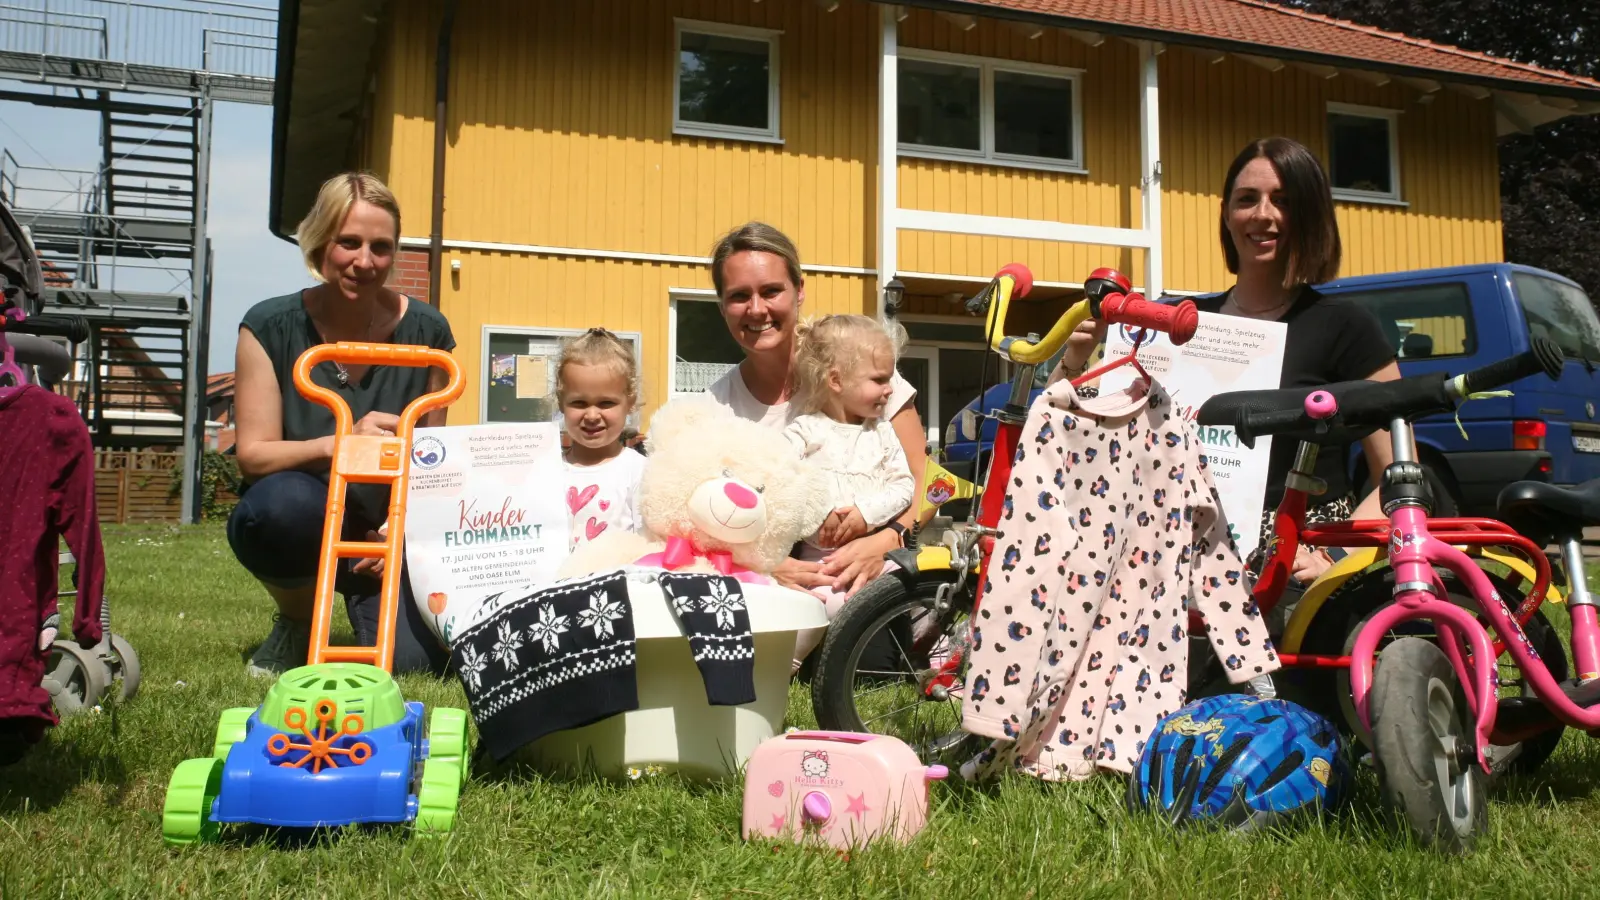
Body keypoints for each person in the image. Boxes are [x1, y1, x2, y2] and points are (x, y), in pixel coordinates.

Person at [1047, 136, 1401, 586]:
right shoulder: (1173, 320)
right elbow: (1067, 432)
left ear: (1309, 214)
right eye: (1247, 199)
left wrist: (1333, 554)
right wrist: (1075, 359)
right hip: (1166, 553)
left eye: (1284, 201)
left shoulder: (1347, 327)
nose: (1263, 215)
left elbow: (1396, 474)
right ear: (1227, 215)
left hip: (1291, 566)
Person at [228, 172, 457, 677]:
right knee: (275, 512)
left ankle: (375, 599)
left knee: (412, 664)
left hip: (385, 524)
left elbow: (433, 465)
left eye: (381, 247)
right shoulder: (270, 326)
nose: (364, 261)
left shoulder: (428, 332)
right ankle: (297, 618)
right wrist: (342, 444)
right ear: (319, 242)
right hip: (307, 510)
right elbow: (255, 454)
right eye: (348, 242)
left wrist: (394, 534)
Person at [702, 222, 928, 597]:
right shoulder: (717, 408)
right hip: (774, 596)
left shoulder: (863, 368)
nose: (757, 309)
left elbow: (926, 479)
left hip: (873, 579)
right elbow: (708, 517)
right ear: (722, 305)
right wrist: (766, 564)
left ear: (799, 290)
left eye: (771, 290)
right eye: (739, 296)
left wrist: (888, 539)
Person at [784, 314, 917, 664]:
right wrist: (818, 511)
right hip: (819, 561)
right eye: (879, 380)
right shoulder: (805, 431)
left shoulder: (882, 433)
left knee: (913, 581)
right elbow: (780, 482)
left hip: (876, 557)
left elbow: (905, 485)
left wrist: (866, 514)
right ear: (836, 380)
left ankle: (922, 646)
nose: (889, 389)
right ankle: (787, 668)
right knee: (814, 609)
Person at [556, 327, 647, 554]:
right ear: (561, 403)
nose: (592, 415)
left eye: (606, 403)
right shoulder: (547, 470)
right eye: (579, 403)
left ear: (630, 403)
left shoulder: (639, 472)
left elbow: (647, 547)